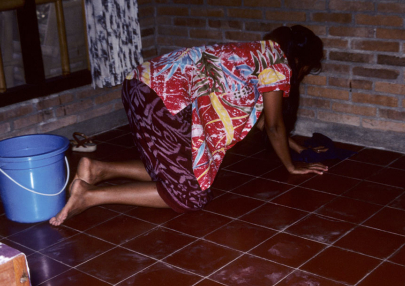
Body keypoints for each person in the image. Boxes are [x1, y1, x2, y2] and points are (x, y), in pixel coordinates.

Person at [49, 25, 328, 226]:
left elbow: (266, 122)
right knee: (190, 196)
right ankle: (90, 195)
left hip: (142, 85)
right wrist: (291, 165)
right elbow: (274, 127)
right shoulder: (278, 64)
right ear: (300, 60)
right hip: (161, 99)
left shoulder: (258, 53)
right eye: (307, 69)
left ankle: (97, 169)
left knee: (182, 166)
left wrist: (296, 146)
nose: (303, 75)